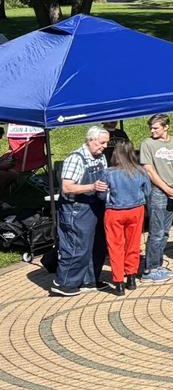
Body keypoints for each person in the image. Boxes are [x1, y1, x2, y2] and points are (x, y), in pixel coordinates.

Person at [51, 126, 110, 295]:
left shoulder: (101, 157)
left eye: (106, 143)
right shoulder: (75, 159)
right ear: (90, 140)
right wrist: (92, 186)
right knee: (77, 246)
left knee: (97, 245)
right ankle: (64, 283)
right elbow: (66, 187)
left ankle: (89, 280)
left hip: (95, 206)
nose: (104, 146)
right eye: (101, 142)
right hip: (76, 209)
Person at [139, 114, 173, 282]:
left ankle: (158, 264)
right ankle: (150, 269)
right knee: (156, 231)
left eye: (156, 128)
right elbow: (149, 171)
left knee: (165, 231)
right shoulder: (147, 144)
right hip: (157, 191)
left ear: (166, 127)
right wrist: (166, 189)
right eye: (151, 128)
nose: (152, 131)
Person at [100, 140, 148, 296]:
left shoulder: (108, 173)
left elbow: (101, 194)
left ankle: (118, 282)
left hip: (115, 211)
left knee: (115, 247)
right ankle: (132, 277)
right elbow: (148, 191)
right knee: (133, 244)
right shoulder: (140, 171)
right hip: (136, 210)